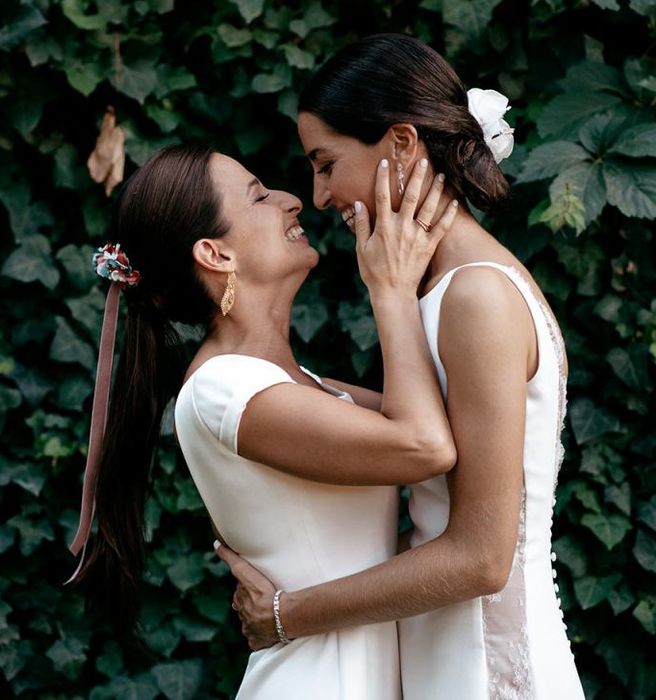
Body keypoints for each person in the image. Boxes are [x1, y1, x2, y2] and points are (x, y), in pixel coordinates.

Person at [216, 34, 585, 699]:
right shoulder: (437, 288)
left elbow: (480, 558)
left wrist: (287, 614)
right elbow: (398, 431)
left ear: (402, 144)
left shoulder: (476, 296)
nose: (319, 196)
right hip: (436, 657)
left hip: (490, 668)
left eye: (326, 164)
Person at [67, 142, 460, 699]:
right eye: (258, 195)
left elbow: (450, 433)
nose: (293, 200)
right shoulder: (223, 390)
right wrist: (391, 290)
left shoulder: (299, 384)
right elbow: (425, 446)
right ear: (216, 254)